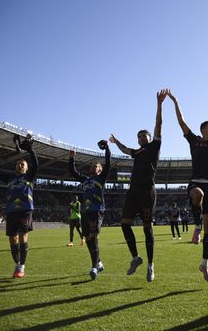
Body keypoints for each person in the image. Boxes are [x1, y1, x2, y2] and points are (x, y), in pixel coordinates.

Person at [168, 88, 208, 282]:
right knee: (197, 195)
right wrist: (174, 100)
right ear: (203, 129)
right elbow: (181, 122)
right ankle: (196, 225)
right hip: (196, 183)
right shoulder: (194, 141)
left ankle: (204, 264)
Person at [109, 90, 166, 282]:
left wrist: (159, 105)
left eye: (145, 135)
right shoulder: (138, 152)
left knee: (147, 228)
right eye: (140, 136)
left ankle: (151, 265)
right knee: (124, 225)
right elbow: (126, 150)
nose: (142, 137)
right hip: (132, 192)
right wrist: (116, 142)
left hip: (147, 192)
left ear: (150, 138)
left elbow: (158, 125)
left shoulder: (154, 147)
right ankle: (136, 258)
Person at [0, 134, 38, 278]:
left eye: (23, 164)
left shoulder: (29, 177)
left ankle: (21, 267)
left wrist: (30, 149)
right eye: (18, 164)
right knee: (13, 239)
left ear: (27, 168)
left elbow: (36, 164)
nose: (20, 165)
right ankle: (18, 263)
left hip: (25, 210)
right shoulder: (9, 178)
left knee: (23, 236)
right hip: (11, 211)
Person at [69, 140, 110, 280]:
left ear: (100, 170)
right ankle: (98, 263)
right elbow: (73, 172)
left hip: (97, 211)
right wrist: (71, 158)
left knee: (93, 237)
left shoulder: (101, 178)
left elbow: (108, 163)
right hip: (85, 213)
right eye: (92, 165)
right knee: (87, 239)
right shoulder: (86, 180)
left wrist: (107, 149)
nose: (94, 166)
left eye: (96, 165)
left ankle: (94, 267)